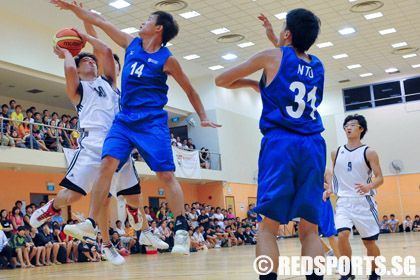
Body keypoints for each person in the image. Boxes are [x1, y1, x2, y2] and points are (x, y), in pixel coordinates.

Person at [50, 0, 221, 259]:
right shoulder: (131, 44)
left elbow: (190, 89)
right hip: (125, 119)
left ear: (158, 29)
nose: (142, 22)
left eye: (148, 20)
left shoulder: (168, 59)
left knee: (165, 175)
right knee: (106, 164)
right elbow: (101, 21)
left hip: (151, 121)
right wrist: (75, 10)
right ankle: (92, 223)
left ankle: (182, 228)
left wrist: (204, 117)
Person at [30, 27, 168, 265]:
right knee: (74, 195)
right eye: (84, 60)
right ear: (79, 68)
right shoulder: (78, 89)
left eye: (92, 60)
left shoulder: (110, 83)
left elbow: (105, 50)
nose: (90, 62)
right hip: (92, 145)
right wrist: (65, 53)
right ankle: (53, 209)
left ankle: (138, 222)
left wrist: (87, 32)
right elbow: (70, 70)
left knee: (135, 199)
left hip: (119, 142)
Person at [216, 9, 325, 280]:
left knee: (267, 228)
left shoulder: (271, 55)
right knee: (310, 230)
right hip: (314, 145)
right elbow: (290, 67)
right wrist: (268, 83)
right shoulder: (318, 65)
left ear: (286, 34)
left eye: (282, 28)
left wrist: (258, 84)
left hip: (281, 143)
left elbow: (221, 80)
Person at [325, 114, 384, 280]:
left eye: (352, 124)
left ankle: (374, 272)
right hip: (344, 201)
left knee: (369, 243)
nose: (348, 127)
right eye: (346, 125)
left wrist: (369, 186)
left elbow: (380, 178)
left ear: (361, 129)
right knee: (342, 235)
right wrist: (330, 189)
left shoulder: (369, 152)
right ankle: (347, 271)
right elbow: (336, 177)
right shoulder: (336, 152)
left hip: (364, 202)